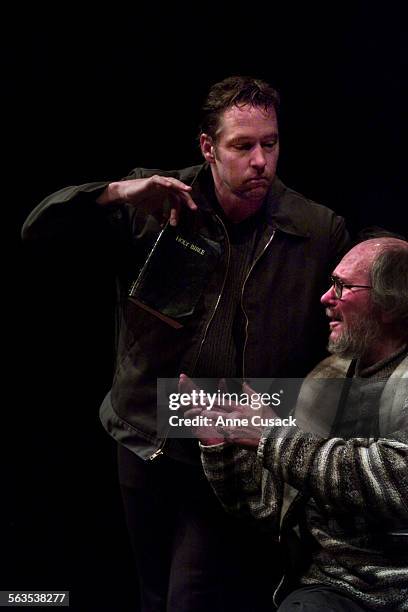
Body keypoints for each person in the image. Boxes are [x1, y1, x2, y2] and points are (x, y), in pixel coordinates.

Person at [22, 76, 349, 612]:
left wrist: (266, 421)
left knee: (190, 598)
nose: (261, 161)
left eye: (270, 143)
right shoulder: (156, 201)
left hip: (233, 447)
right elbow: (38, 231)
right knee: (151, 593)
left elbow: (334, 359)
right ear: (207, 147)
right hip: (144, 434)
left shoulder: (315, 229)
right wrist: (116, 192)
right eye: (242, 146)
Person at [192, 237, 408, 611]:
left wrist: (272, 436)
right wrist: (220, 446)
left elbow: (395, 480)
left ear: (391, 303)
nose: (326, 297)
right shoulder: (328, 378)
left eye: (343, 286)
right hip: (322, 583)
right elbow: (269, 508)